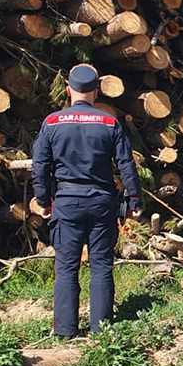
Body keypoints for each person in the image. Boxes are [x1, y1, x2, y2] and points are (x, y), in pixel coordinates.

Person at [31, 63, 143, 338]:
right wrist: (134, 200)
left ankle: (66, 332)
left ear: (69, 90)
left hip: (67, 202)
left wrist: (44, 200)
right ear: (95, 91)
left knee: (67, 267)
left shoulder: (52, 123)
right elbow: (127, 165)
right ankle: (101, 331)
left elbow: (40, 166)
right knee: (102, 266)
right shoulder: (109, 122)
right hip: (102, 202)